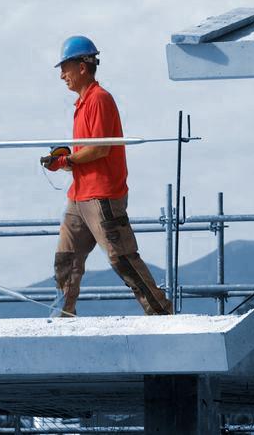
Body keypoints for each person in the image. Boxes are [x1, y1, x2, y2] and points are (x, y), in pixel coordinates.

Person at [42, 36, 173, 317]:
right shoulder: (82, 104)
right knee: (66, 258)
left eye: (64, 67)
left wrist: (67, 159)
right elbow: (89, 153)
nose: (61, 74)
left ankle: (162, 313)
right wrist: (64, 162)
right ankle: (63, 315)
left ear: (82, 67)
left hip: (102, 195)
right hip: (80, 195)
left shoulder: (99, 99)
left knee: (122, 258)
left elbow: (100, 148)